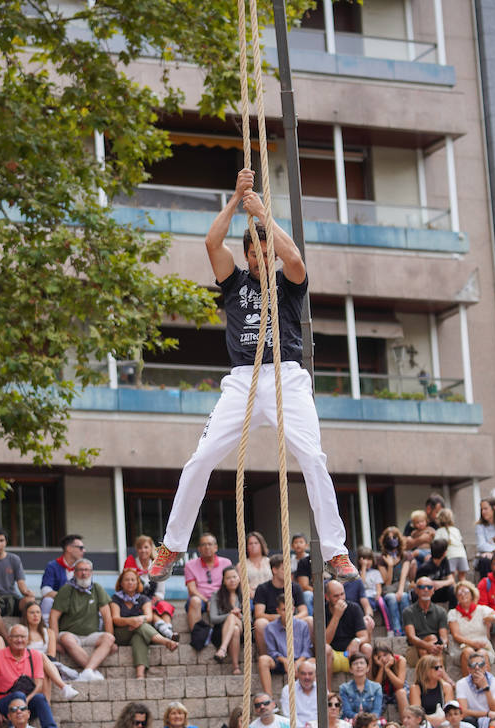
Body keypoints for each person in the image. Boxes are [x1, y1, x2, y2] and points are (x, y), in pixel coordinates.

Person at [145, 172, 355, 584]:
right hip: (242, 381)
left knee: (312, 458)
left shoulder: (288, 283)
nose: (260, 260)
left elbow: (294, 258)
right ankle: (171, 545)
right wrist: (237, 199)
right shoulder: (235, 281)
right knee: (200, 459)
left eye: (265, 253)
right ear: (247, 257)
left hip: (286, 379)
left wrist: (263, 214)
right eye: (253, 255)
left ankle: (336, 551)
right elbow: (211, 243)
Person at [48, 559, 115, 682]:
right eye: (80, 570)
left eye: (87, 570)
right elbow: (53, 616)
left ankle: (88, 671)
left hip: (91, 635)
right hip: (71, 635)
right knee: (65, 638)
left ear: (91, 572)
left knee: (109, 638)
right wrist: (55, 641)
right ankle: (91, 671)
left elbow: (107, 615)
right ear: (74, 572)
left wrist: (111, 639)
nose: (84, 573)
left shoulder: (97, 588)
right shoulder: (66, 589)